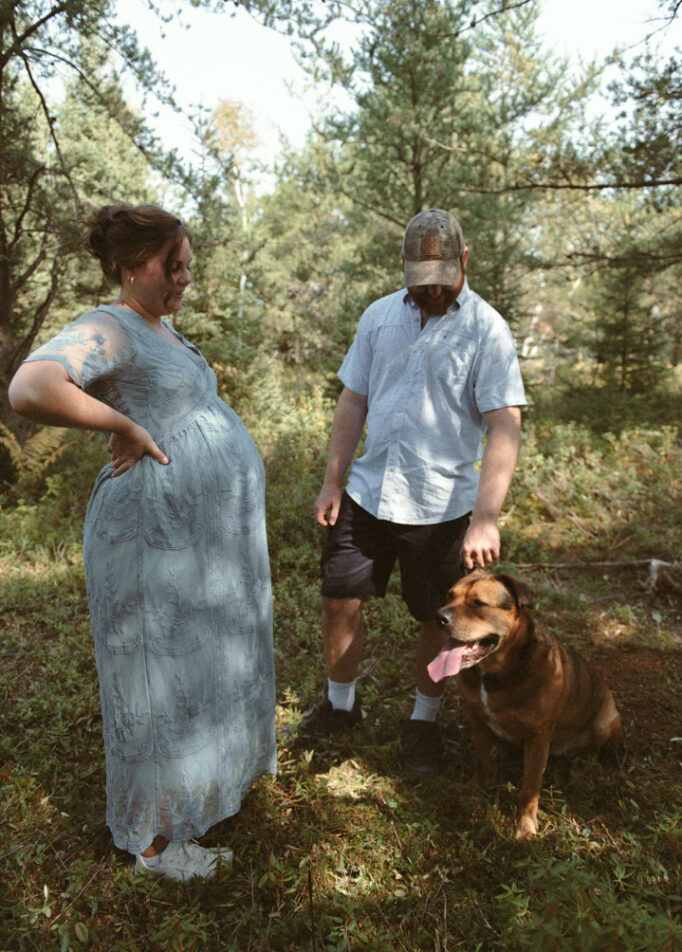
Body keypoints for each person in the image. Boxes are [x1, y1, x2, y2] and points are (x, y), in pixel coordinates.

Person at [8, 204, 276, 880]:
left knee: (196, 669)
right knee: (155, 682)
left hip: (193, 544)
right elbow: (31, 386)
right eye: (172, 265)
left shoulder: (161, 327)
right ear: (132, 266)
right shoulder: (111, 324)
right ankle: (153, 846)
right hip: (150, 538)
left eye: (188, 264)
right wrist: (122, 429)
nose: (186, 276)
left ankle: (194, 802)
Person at [301, 209, 526, 777]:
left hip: (443, 506)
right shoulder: (379, 317)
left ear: (464, 261)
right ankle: (340, 706)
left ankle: (423, 721)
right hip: (369, 492)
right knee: (337, 598)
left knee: (438, 619)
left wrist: (486, 517)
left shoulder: (487, 330)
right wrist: (333, 480)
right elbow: (353, 401)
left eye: (441, 275)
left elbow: (505, 423)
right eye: (419, 274)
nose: (429, 287)